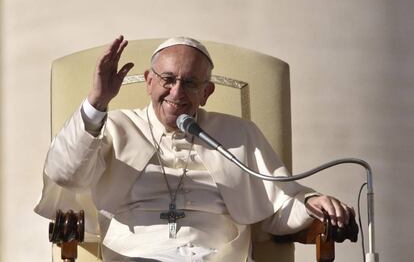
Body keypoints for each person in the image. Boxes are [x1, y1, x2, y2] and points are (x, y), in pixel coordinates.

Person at [36, 36, 354, 261]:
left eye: (190, 83)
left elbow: (278, 204)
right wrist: (97, 103)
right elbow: (66, 174)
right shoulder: (114, 126)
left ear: (207, 92)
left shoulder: (238, 133)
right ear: (148, 81)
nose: (177, 92)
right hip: (134, 256)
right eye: (168, 79)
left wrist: (311, 201)